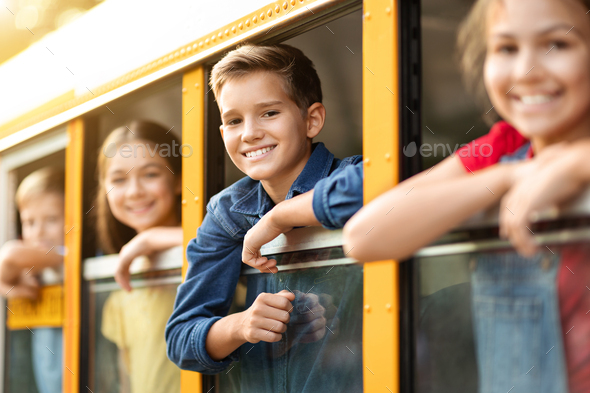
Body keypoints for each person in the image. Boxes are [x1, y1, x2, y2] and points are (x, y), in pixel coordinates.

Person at [343, 0, 590, 392]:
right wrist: (511, 175)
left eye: (557, 44)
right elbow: (365, 235)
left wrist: (577, 162)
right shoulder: (503, 148)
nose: (527, 71)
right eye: (507, 48)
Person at [165, 44, 364, 391]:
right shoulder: (227, 212)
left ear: (311, 119)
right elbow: (181, 339)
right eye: (233, 120)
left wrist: (277, 218)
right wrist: (242, 326)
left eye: (269, 112)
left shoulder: (351, 174)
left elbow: (380, 187)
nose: (249, 133)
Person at [95, 120, 183, 393]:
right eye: (119, 179)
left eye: (150, 174)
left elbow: (233, 243)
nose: (134, 191)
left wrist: (149, 238)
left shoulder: (213, 243)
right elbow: (127, 383)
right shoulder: (120, 293)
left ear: (179, 180)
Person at [0, 167, 65, 393]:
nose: (39, 233)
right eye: (29, 222)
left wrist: (10, 284)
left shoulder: (65, 257)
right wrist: (15, 289)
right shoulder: (33, 270)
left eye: (52, 219)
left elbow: (9, 256)